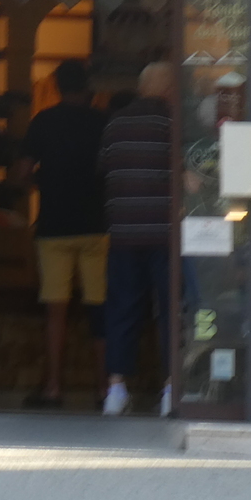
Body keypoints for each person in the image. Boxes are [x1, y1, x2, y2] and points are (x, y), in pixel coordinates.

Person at [19, 59, 110, 408]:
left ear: (56, 86)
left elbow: (21, 172)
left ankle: (54, 387)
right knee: (99, 308)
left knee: (56, 311)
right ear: (88, 87)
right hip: (96, 225)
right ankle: (105, 389)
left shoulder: (44, 121)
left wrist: (42, 182)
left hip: (54, 226)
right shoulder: (102, 122)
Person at [98, 61, 176, 416]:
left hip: (123, 232)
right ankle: (172, 388)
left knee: (122, 309)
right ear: (169, 89)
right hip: (165, 232)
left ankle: (116, 390)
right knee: (171, 309)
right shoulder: (172, 122)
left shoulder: (115, 123)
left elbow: (103, 170)